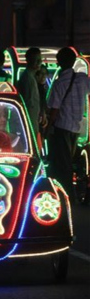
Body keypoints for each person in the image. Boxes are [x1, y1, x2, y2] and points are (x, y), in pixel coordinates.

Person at [46, 46, 90, 205]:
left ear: (58, 63)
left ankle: (68, 197)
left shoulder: (59, 83)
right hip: (77, 127)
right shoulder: (83, 78)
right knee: (69, 160)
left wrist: (48, 128)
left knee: (63, 163)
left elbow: (54, 109)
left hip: (63, 127)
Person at [16, 47, 46, 139]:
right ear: (28, 60)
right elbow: (29, 103)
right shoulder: (28, 78)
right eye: (35, 60)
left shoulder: (30, 77)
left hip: (32, 118)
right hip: (30, 119)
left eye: (39, 60)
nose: (38, 62)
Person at [35, 64, 50, 135]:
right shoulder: (36, 88)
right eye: (41, 73)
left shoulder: (43, 88)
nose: (44, 76)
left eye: (45, 74)